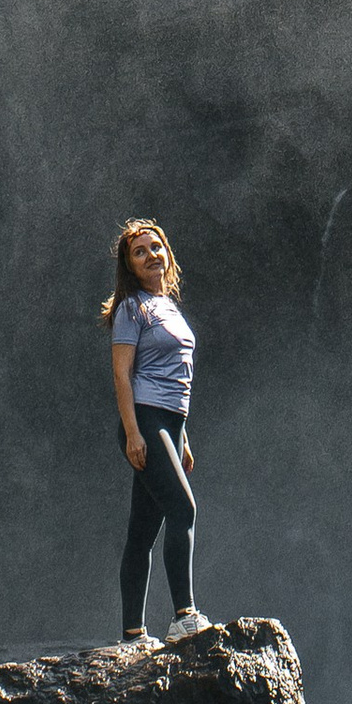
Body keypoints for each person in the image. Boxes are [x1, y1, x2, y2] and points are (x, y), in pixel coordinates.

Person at [106, 218, 208, 645]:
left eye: (155, 247)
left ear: (167, 253)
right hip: (146, 420)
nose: (151, 255)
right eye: (139, 252)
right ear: (129, 266)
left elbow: (177, 374)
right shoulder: (131, 308)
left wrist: (183, 438)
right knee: (183, 509)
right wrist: (133, 432)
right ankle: (184, 616)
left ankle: (132, 635)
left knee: (142, 532)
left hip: (171, 424)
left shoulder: (168, 306)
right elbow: (122, 374)